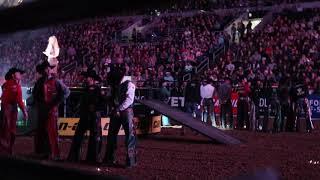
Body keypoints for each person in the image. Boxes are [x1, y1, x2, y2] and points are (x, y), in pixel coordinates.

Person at [33, 61, 70, 160]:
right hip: (43, 110)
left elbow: (66, 92)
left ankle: (54, 154)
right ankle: (44, 152)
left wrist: (56, 104)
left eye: (48, 68)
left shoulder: (56, 81)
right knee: (42, 132)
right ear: (43, 70)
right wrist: (40, 105)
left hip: (52, 110)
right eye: (46, 68)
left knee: (52, 132)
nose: (48, 69)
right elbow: (35, 95)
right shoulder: (39, 82)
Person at [67, 69, 103, 164]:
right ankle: (77, 157)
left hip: (93, 115)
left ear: (91, 78)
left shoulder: (96, 89)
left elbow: (100, 103)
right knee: (80, 136)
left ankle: (91, 158)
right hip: (86, 115)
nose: (86, 79)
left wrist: (94, 108)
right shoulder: (87, 88)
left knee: (93, 137)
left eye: (87, 77)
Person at [104, 66, 137, 168]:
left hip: (124, 112)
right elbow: (112, 98)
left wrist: (117, 109)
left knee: (129, 136)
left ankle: (130, 161)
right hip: (121, 111)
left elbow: (129, 100)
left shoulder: (129, 84)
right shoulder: (117, 85)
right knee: (113, 135)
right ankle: (111, 158)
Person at [0, 68, 28, 154]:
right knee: (10, 129)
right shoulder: (15, 86)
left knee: (6, 128)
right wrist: (24, 112)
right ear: (13, 75)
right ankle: (8, 149)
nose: (20, 75)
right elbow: (19, 100)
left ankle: (5, 149)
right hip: (10, 108)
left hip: (6, 108)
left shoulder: (6, 84)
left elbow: (3, 97)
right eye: (18, 73)